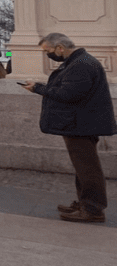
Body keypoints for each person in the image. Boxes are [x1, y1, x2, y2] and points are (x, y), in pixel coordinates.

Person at [21, 33, 117, 223]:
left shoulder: (81, 64)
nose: (47, 55)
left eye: (47, 51)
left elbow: (68, 94)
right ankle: (85, 203)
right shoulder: (78, 61)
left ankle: (93, 209)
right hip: (80, 122)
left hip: (81, 124)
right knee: (83, 166)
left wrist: (38, 89)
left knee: (88, 167)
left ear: (60, 48)